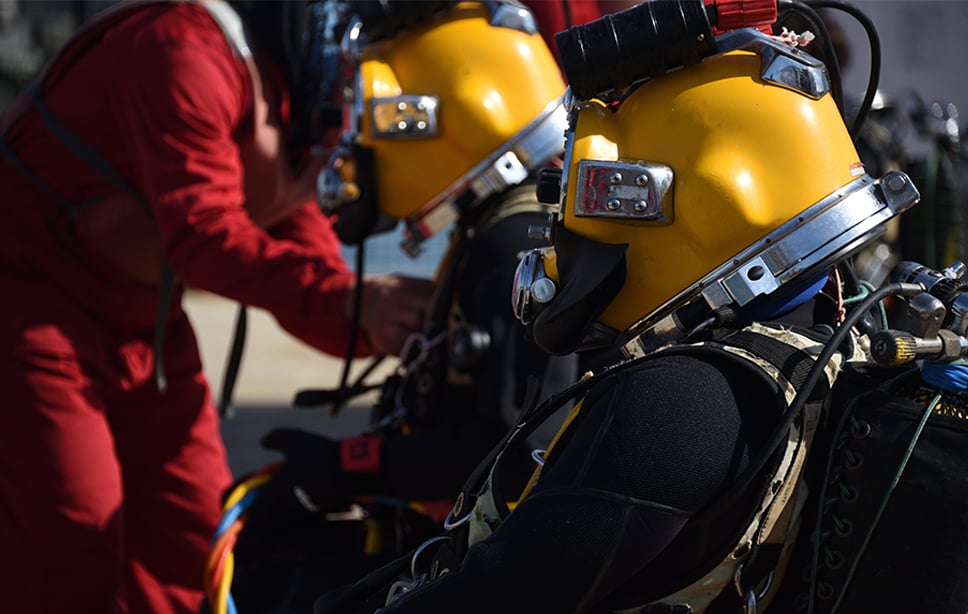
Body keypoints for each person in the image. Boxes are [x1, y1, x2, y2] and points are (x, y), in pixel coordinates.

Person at [309, 2, 927, 612]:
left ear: (706, 202)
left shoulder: (680, 404)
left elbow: (493, 594)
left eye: (597, 193)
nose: (567, 234)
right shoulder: (827, 339)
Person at [0, 0, 432, 612]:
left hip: (142, 324)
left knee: (197, 541)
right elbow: (203, 236)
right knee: (72, 542)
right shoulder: (183, 48)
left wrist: (403, 325)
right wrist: (356, 301)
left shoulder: (289, 96)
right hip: (28, 306)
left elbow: (305, 261)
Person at [221, 0, 603, 610]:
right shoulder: (507, 230)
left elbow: (506, 447)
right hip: (468, 541)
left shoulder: (511, 245)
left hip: (489, 566)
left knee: (265, 585)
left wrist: (345, 464)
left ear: (433, 119)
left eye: (370, 119)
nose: (358, 146)